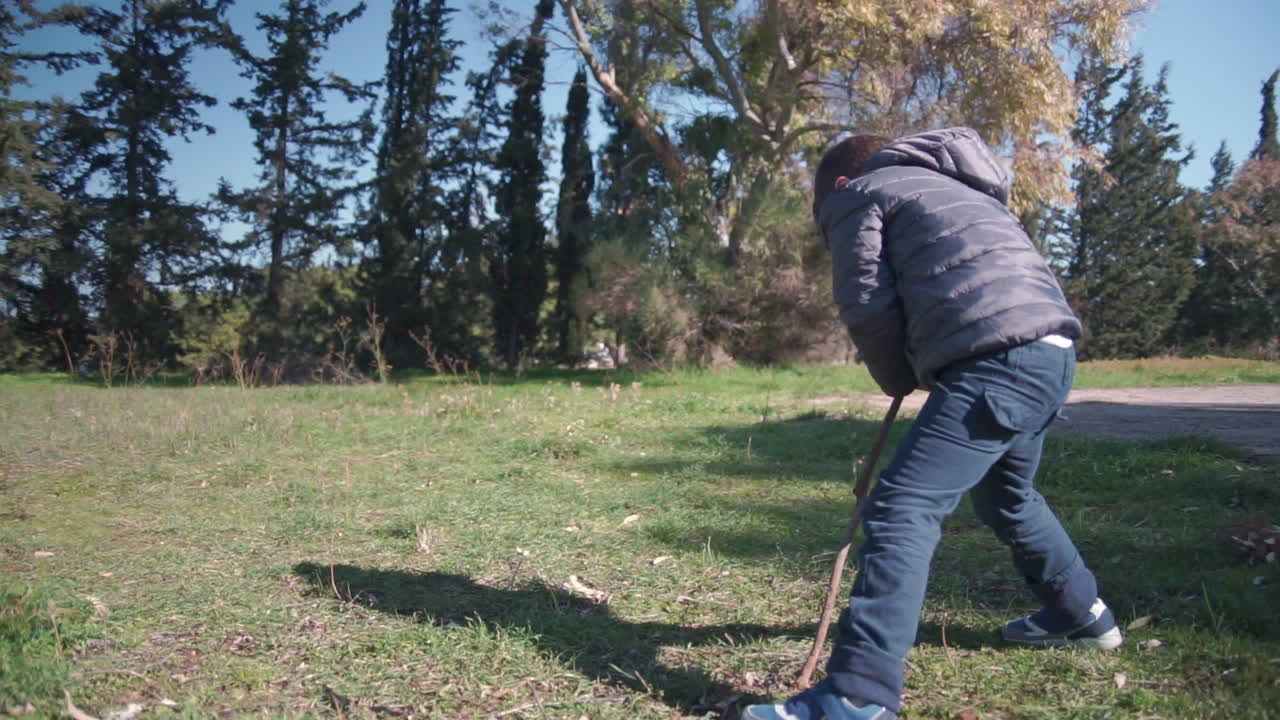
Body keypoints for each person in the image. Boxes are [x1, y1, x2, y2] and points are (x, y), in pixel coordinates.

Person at [743, 128, 1121, 720]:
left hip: (994, 360)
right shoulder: (956, 189)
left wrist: (896, 376)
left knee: (901, 507)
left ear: (838, 185)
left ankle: (857, 697)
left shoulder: (860, 192)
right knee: (1009, 497)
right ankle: (1081, 614)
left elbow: (866, 301)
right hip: (1052, 351)